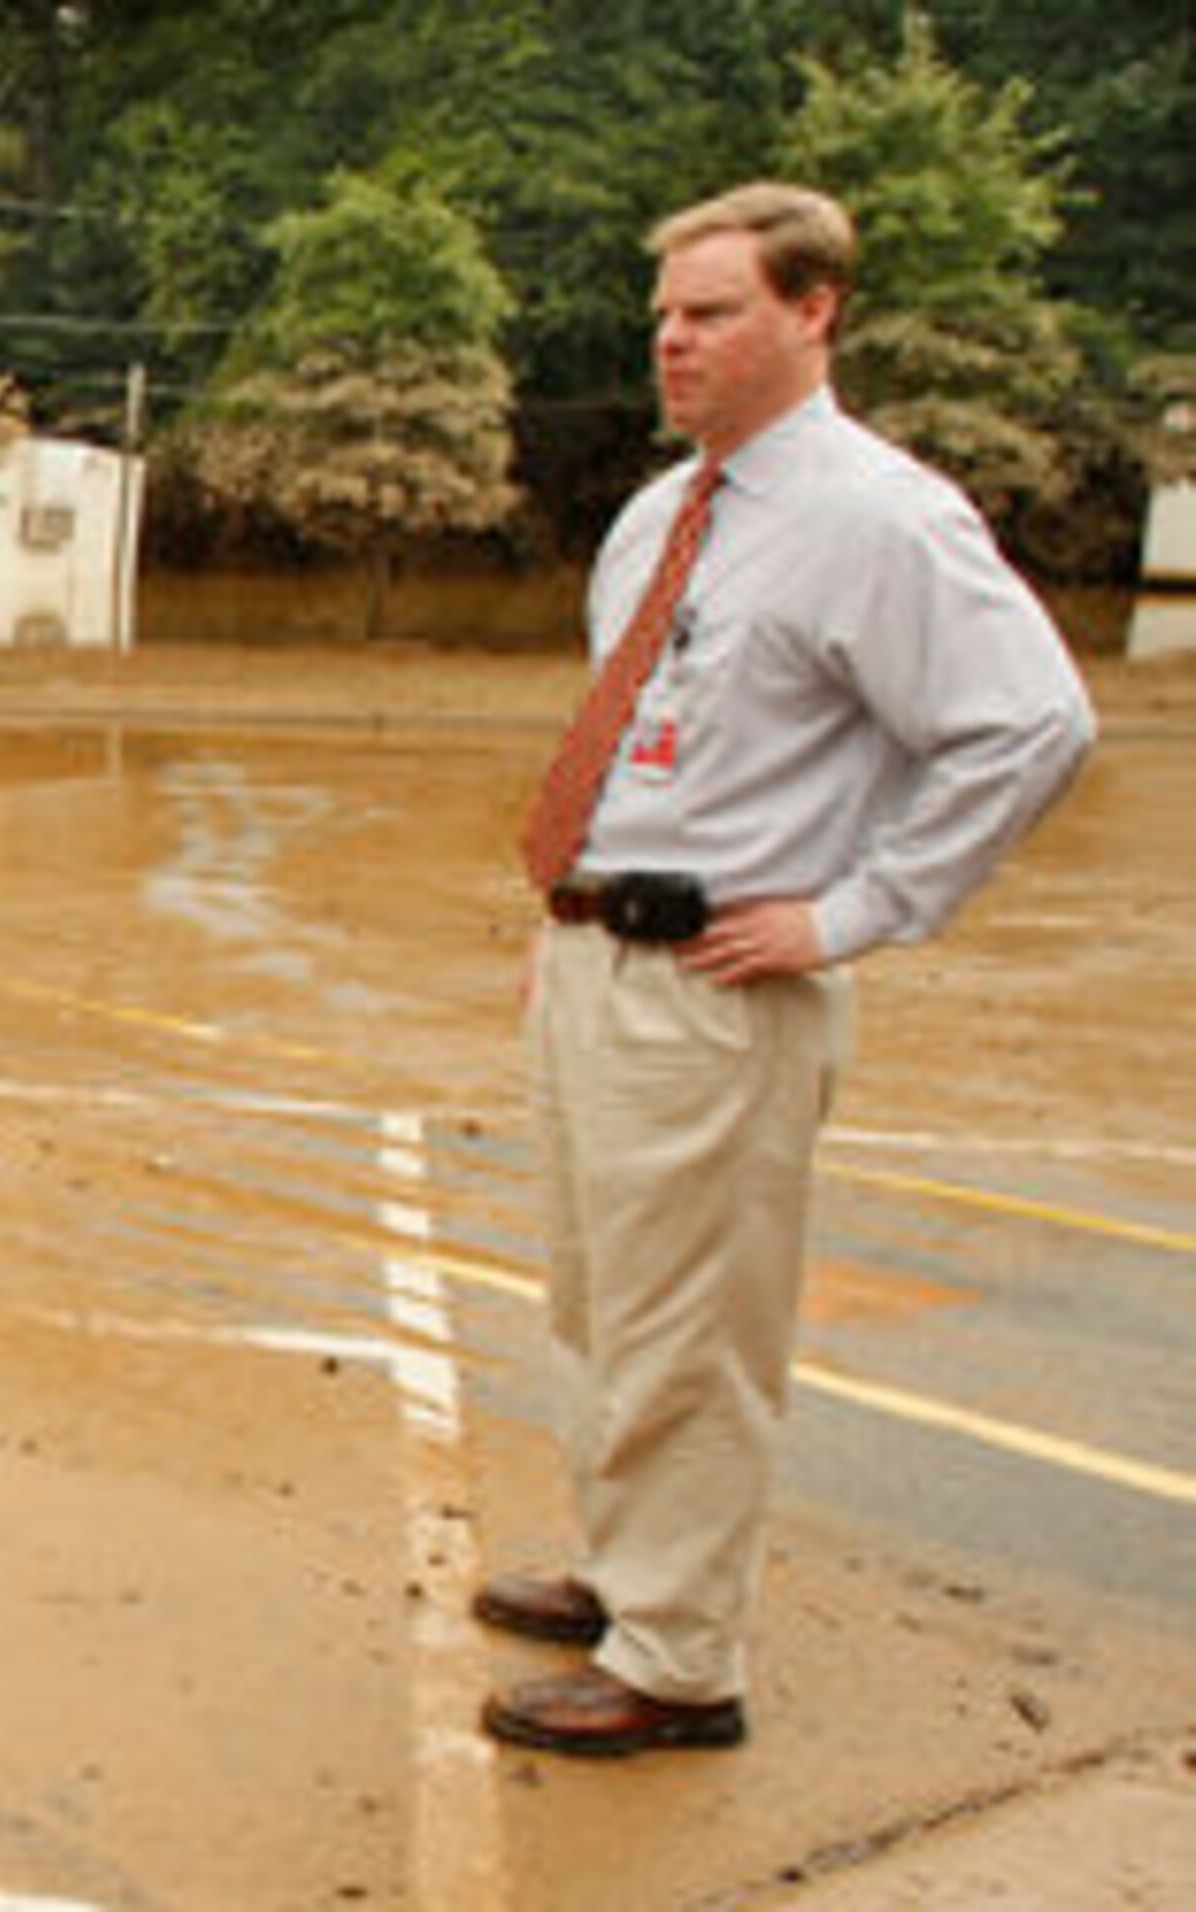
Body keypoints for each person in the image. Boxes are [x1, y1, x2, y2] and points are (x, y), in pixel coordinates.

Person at [478, 182, 1096, 1758]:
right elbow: (647, 748)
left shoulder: (879, 516)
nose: (675, 342)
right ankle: (632, 1573)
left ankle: (681, 1663)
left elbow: (1029, 725)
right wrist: (569, 929)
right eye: (666, 316)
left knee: (695, 1325)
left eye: (714, 312)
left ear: (813, 311)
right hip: (605, 959)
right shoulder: (660, 513)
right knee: (600, 1299)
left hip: (727, 977)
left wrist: (860, 909)